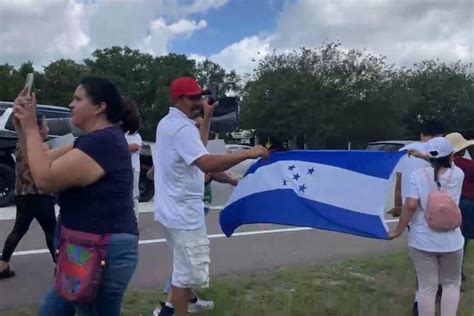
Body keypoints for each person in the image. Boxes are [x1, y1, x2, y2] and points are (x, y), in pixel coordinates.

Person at [13, 77, 139, 315]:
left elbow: (44, 179)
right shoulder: (91, 141)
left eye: (78, 99)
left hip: (100, 248)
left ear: (100, 107)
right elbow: (40, 162)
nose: (71, 104)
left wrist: (31, 128)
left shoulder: (104, 142)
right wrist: (22, 126)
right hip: (87, 246)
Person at [153, 77, 268, 316]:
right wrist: (248, 153)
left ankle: (170, 311)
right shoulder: (182, 128)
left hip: (170, 210)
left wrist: (206, 116)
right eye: (194, 98)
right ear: (179, 99)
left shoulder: (168, 122)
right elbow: (206, 162)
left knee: (183, 269)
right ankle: (171, 311)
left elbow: (198, 147)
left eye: (200, 96)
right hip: (183, 213)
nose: (199, 101)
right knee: (190, 273)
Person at [389, 137, 465, 316]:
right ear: (451, 155)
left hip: (422, 239)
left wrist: (398, 230)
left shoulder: (418, 176)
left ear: (430, 156)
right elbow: (443, 163)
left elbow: (410, 205)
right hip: (451, 240)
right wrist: (425, 156)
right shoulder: (458, 174)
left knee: (426, 287)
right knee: (451, 284)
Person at [387, 119, 445, 316]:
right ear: (441, 134)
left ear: (423, 134)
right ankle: (429, 298)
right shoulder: (445, 151)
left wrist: (397, 206)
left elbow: (399, 182)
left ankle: (421, 299)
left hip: (414, 215)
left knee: (423, 261)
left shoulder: (407, 150)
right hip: (442, 213)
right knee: (440, 259)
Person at [0, 116, 56, 279]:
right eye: (45, 126)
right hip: (41, 194)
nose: (48, 129)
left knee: (18, 229)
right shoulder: (41, 148)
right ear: (37, 129)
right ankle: (59, 265)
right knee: (52, 230)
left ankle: (2, 264)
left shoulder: (19, 146)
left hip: (22, 194)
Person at [445, 132, 474, 286]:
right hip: (468, 204)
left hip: (448, 204)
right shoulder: (470, 166)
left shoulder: (444, 166)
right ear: (463, 149)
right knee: (462, 240)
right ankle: (457, 274)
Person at [123, 98, 143, 223]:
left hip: (133, 168)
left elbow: (135, 147)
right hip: (124, 167)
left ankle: (134, 220)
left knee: (133, 196)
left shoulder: (135, 135)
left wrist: (120, 147)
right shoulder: (123, 134)